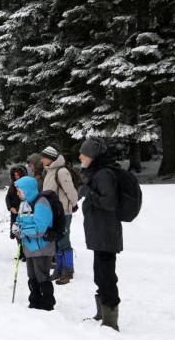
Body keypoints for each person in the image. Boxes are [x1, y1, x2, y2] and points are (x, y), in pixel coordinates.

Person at [79, 137, 122, 331]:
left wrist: (88, 192)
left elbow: (109, 203)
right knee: (100, 274)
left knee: (106, 276)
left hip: (106, 233)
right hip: (100, 232)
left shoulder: (104, 174)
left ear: (93, 156)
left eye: (84, 154)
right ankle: (102, 313)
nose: (80, 156)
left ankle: (111, 321)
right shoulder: (96, 172)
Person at [12, 176, 56, 311]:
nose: (18, 193)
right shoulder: (24, 203)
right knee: (32, 276)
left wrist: (22, 230)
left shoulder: (41, 203)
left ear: (28, 190)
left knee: (42, 275)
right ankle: (34, 301)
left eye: (20, 190)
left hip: (42, 247)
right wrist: (16, 226)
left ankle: (47, 303)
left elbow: (40, 229)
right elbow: (20, 220)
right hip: (29, 247)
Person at [41, 146, 79, 285]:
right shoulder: (49, 171)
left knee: (63, 240)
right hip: (52, 212)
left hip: (63, 212)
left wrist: (73, 204)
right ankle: (59, 268)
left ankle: (68, 270)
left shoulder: (61, 171)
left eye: (43, 157)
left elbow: (71, 191)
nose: (41, 159)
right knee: (55, 240)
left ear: (50, 158)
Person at [6, 165, 28, 261]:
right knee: (17, 233)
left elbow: (27, 198)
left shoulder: (25, 185)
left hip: (24, 212)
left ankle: (27, 253)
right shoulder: (12, 185)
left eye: (18, 175)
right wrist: (10, 207)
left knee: (25, 233)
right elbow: (8, 197)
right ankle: (21, 252)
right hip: (14, 213)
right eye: (15, 175)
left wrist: (20, 208)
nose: (16, 177)